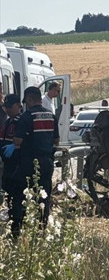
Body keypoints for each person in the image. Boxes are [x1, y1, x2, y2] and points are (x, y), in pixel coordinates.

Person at [8, 87, 59, 236]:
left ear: (30, 99)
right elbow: (56, 140)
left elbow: (18, 140)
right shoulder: (50, 115)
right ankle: (42, 228)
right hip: (47, 162)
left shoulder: (27, 116)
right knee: (44, 196)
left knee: (20, 194)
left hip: (28, 162)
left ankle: (17, 229)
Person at [0, 94, 22, 215]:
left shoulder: (22, 121)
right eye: (6, 107)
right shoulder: (7, 122)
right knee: (7, 192)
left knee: (16, 197)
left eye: (10, 107)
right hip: (7, 165)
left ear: (18, 105)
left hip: (17, 166)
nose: (7, 110)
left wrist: (15, 146)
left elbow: (28, 141)